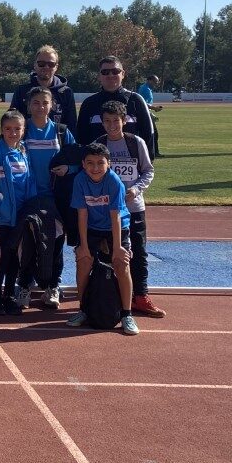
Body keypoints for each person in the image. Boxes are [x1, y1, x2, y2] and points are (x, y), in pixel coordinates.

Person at [92, 101, 165, 319]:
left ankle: (140, 296)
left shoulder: (136, 143)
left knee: (138, 253)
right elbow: (91, 174)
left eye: (116, 120)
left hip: (133, 208)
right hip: (106, 212)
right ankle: (111, 296)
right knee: (107, 254)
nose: (112, 125)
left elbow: (148, 171)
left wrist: (135, 189)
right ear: (102, 122)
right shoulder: (99, 144)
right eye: (107, 121)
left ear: (124, 121)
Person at [66, 142, 139, 336]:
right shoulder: (80, 180)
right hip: (92, 227)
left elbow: (115, 216)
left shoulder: (114, 182)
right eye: (90, 163)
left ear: (109, 163)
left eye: (100, 163)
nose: (95, 168)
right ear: (83, 164)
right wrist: (83, 246)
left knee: (121, 264)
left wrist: (118, 247)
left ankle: (127, 314)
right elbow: (82, 214)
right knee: (83, 261)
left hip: (116, 227)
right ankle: (83, 309)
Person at [19, 87, 78, 309]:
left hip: (56, 198)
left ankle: (53, 286)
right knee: (28, 245)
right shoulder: (21, 129)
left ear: (52, 105)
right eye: (36, 102)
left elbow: (78, 161)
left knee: (56, 243)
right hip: (28, 197)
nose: (40, 107)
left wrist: (69, 169)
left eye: (45, 102)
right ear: (28, 105)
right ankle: (24, 285)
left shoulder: (61, 132)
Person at [0, 110, 37, 316]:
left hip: (21, 215)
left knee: (15, 256)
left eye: (17, 129)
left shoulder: (23, 152)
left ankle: (9, 296)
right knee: (2, 254)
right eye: (8, 129)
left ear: (23, 130)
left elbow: (29, 182)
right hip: (2, 215)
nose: (13, 133)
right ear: (1, 130)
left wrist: (31, 208)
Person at [76, 55, 154, 148]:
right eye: (105, 72)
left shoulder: (136, 100)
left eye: (115, 71)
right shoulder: (89, 104)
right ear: (99, 76)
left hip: (132, 157)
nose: (110, 75)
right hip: (97, 157)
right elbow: (81, 138)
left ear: (123, 74)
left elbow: (148, 135)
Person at [8, 45, 77, 128]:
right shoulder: (22, 91)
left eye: (51, 64)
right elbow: (11, 122)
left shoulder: (66, 93)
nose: (46, 67)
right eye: (41, 64)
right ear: (35, 65)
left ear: (56, 67)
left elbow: (71, 126)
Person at [137, 74, 163, 159]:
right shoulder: (145, 89)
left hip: (147, 112)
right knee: (153, 133)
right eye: (155, 82)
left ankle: (153, 152)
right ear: (149, 80)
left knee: (152, 133)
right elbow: (143, 103)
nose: (156, 84)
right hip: (144, 113)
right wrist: (154, 108)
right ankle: (153, 152)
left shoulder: (146, 88)